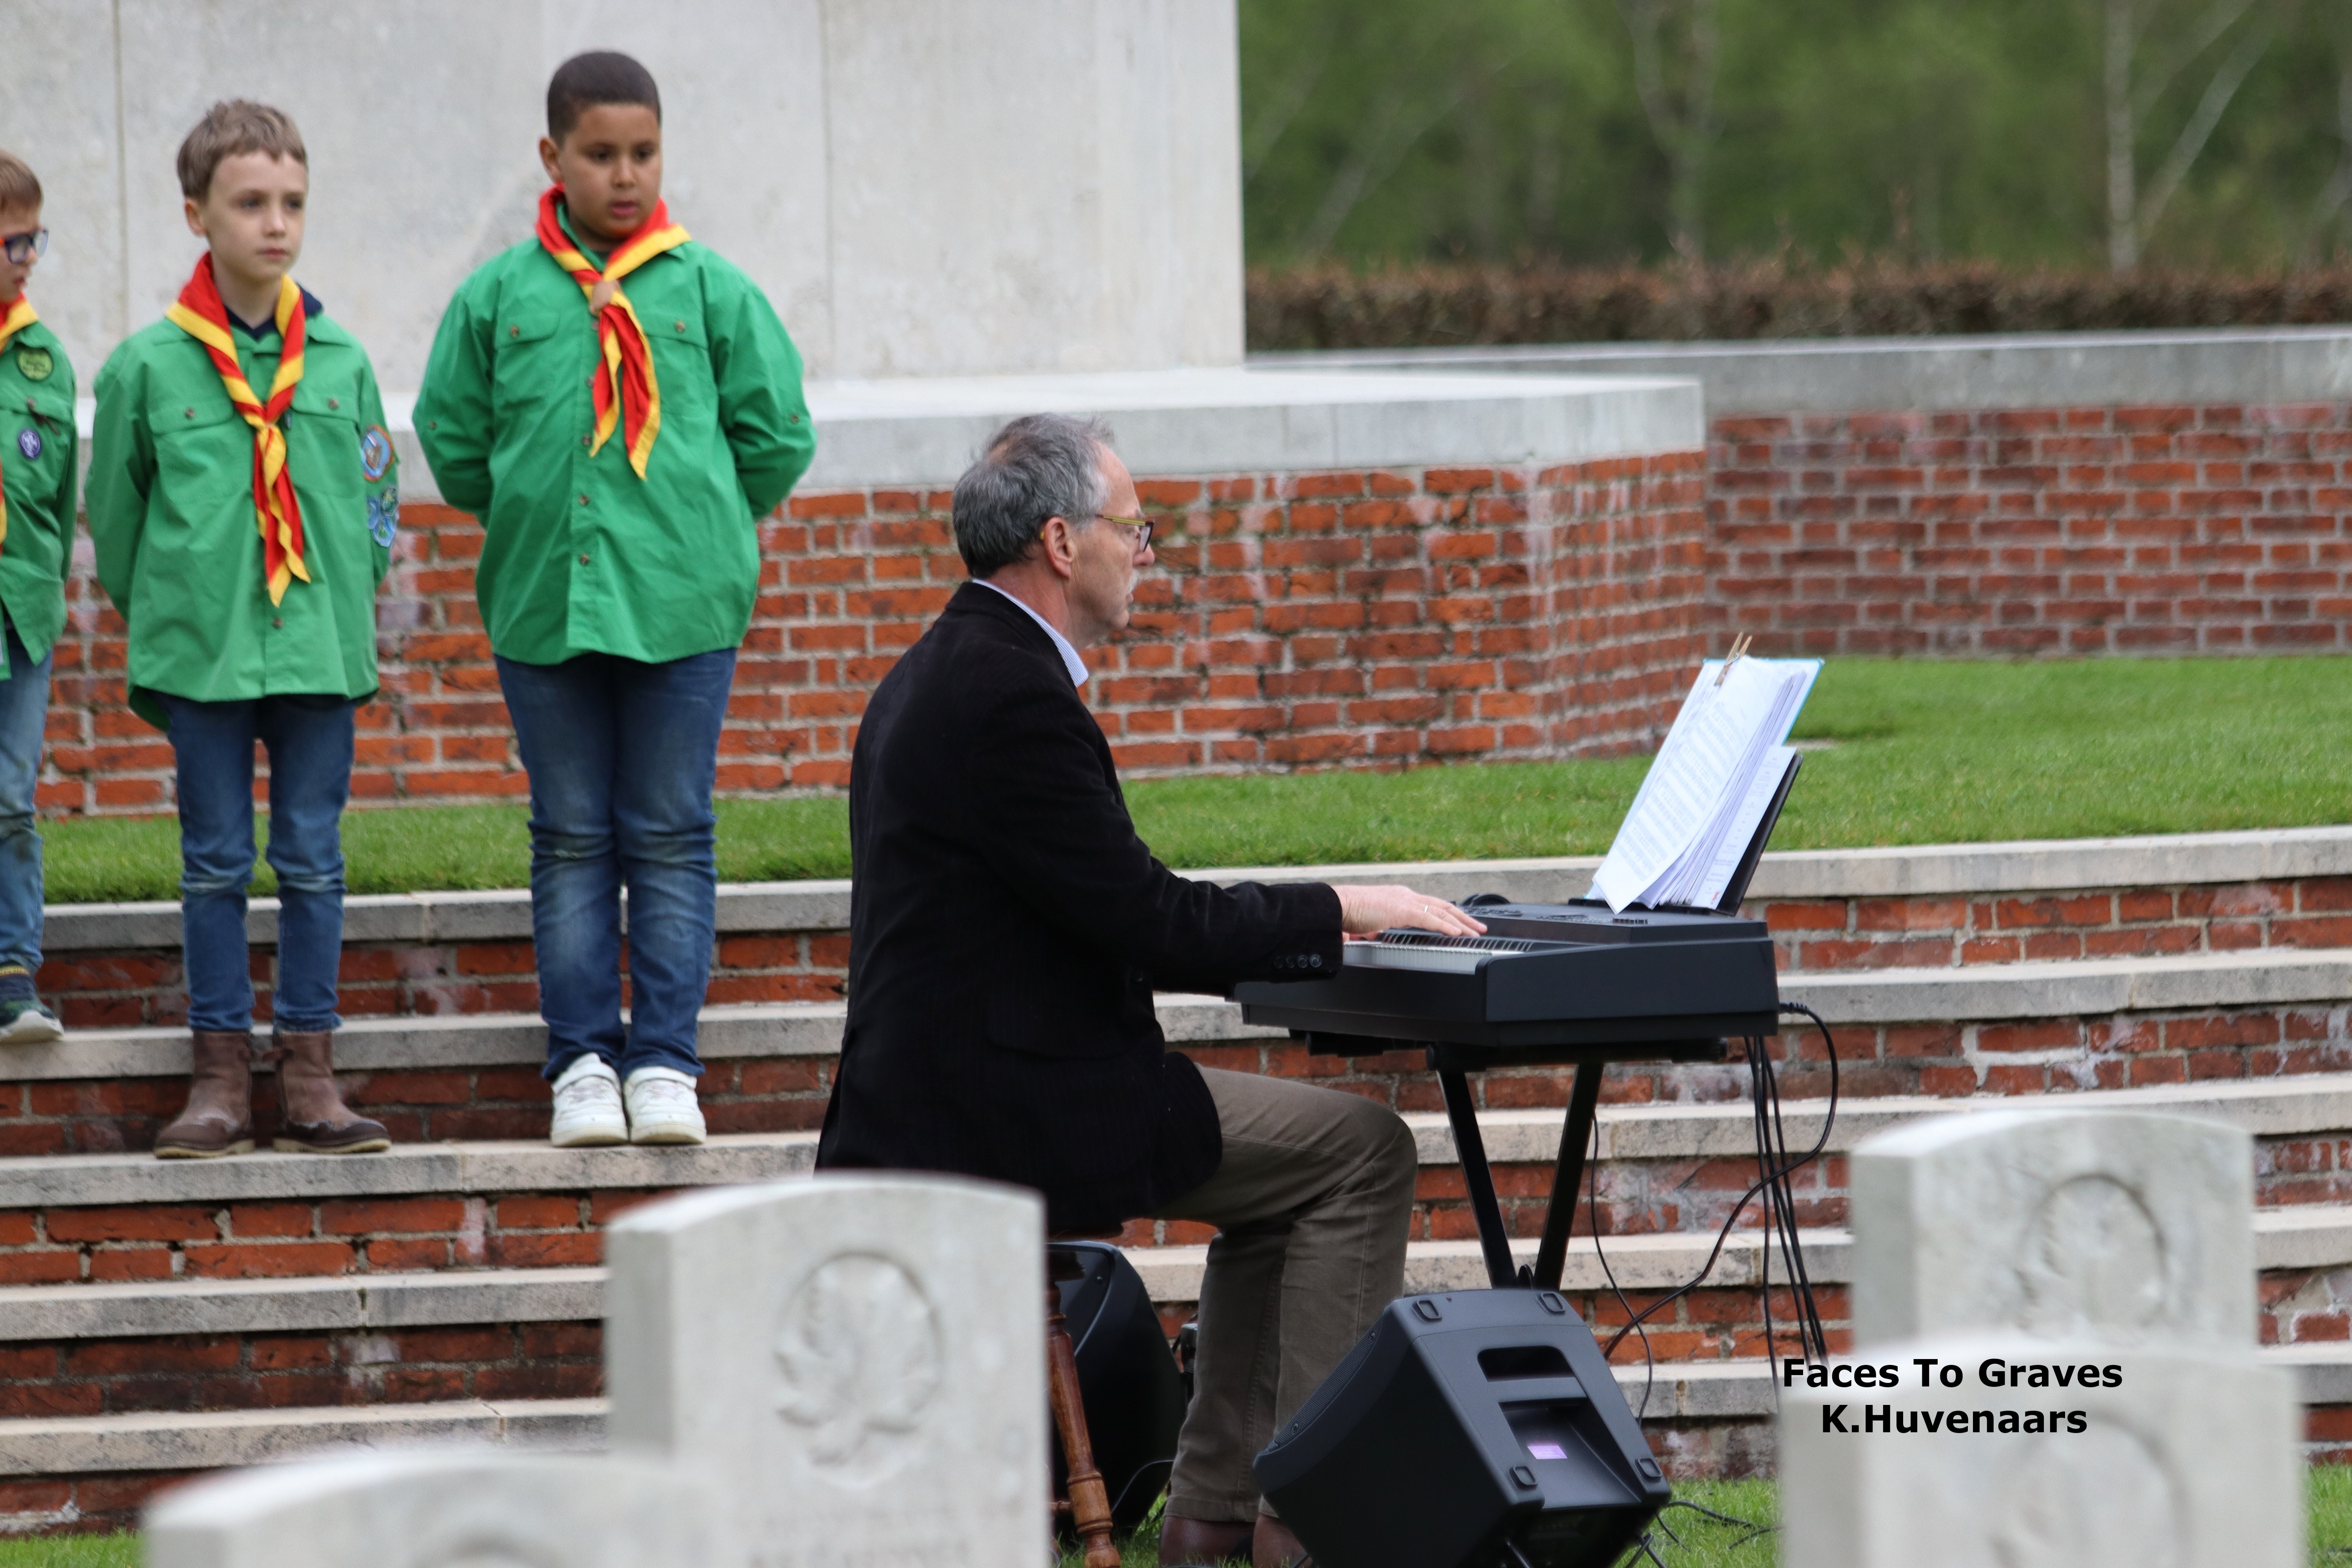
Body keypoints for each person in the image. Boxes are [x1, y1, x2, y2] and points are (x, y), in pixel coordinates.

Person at [815, 414, 1486, 1568]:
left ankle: (1217, 1515)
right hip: (1005, 1112)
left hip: (950, 1090)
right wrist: (1343, 905)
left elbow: (1101, 917)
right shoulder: (1011, 695)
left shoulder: (940, 669)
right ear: (1063, 542)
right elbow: (1153, 922)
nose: (1149, 555)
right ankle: (1303, 1525)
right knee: (1364, 1153)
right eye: (1140, 531)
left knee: (1295, 1173)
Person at [414, 51, 815, 1150]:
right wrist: (539, 509)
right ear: (553, 157)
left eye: (643, 153)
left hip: (683, 608)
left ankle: (668, 1064)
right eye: (601, 154)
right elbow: (454, 442)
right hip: (547, 605)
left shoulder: (708, 288)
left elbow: (777, 437)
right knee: (573, 839)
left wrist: (703, 526)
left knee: (674, 834)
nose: (625, 174)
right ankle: (584, 1061)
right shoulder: (499, 295)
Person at [87, 102, 396, 1158]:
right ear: (196, 215)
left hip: (315, 648)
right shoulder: (147, 369)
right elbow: (120, 528)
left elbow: (376, 507)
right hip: (205, 655)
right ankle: (217, 1076)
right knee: (214, 861)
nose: (276, 225)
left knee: (312, 860)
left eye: (293, 203)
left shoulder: (344, 362)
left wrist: (344, 601)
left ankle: (310, 1073)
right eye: (250, 203)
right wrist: (181, 614)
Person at [0, 152, 73, 1047]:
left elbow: (56, 504)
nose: (26, 256)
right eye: (11, 241)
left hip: (19, 613)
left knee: (12, 798)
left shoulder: (43, 360)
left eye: (34, 238)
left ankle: (14, 971)